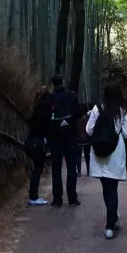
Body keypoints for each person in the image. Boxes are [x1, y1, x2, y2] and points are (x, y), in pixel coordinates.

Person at [86, 82, 127, 238]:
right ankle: (110, 224)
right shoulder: (122, 111)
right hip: (115, 152)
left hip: (99, 152)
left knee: (106, 188)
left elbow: (89, 129)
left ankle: (112, 219)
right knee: (113, 188)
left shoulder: (97, 108)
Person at [47, 74, 82, 207]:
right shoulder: (72, 96)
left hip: (55, 137)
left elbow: (46, 118)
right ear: (63, 82)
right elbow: (78, 114)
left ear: (52, 84)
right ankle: (72, 198)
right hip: (70, 136)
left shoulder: (49, 97)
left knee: (56, 168)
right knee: (71, 168)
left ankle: (57, 200)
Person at [26, 85, 50, 205]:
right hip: (38, 142)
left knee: (36, 169)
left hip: (32, 140)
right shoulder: (43, 108)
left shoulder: (34, 108)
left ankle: (33, 195)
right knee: (37, 169)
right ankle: (33, 197)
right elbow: (43, 126)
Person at [76, 103, 91, 177]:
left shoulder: (77, 119)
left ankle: (79, 171)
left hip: (78, 140)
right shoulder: (88, 118)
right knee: (87, 156)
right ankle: (88, 171)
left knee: (78, 156)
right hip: (87, 139)